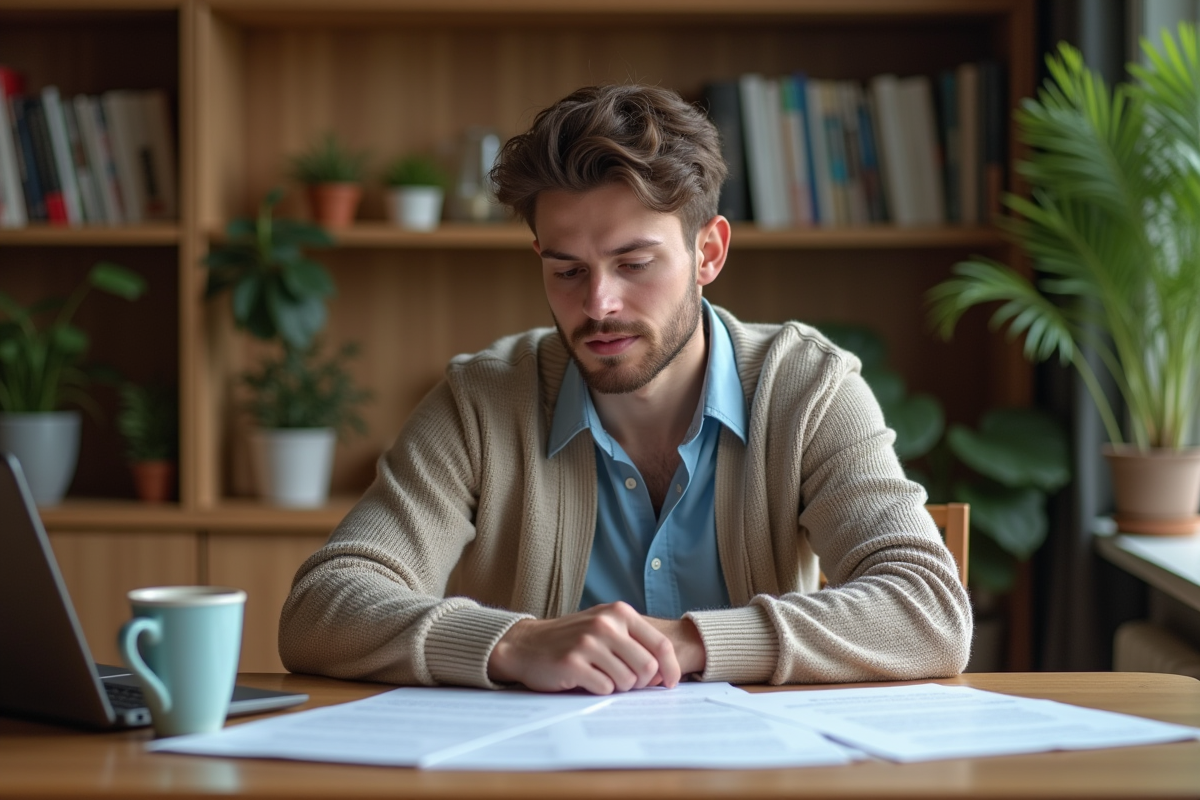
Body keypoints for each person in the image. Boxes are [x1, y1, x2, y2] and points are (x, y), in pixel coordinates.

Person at [279, 84, 971, 695]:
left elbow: (928, 607)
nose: (599, 304)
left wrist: (688, 644)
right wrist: (513, 644)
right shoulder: (480, 402)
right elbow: (321, 608)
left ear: (709, 253)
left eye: (634, 263)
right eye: (567, 271)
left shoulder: (807, 388)